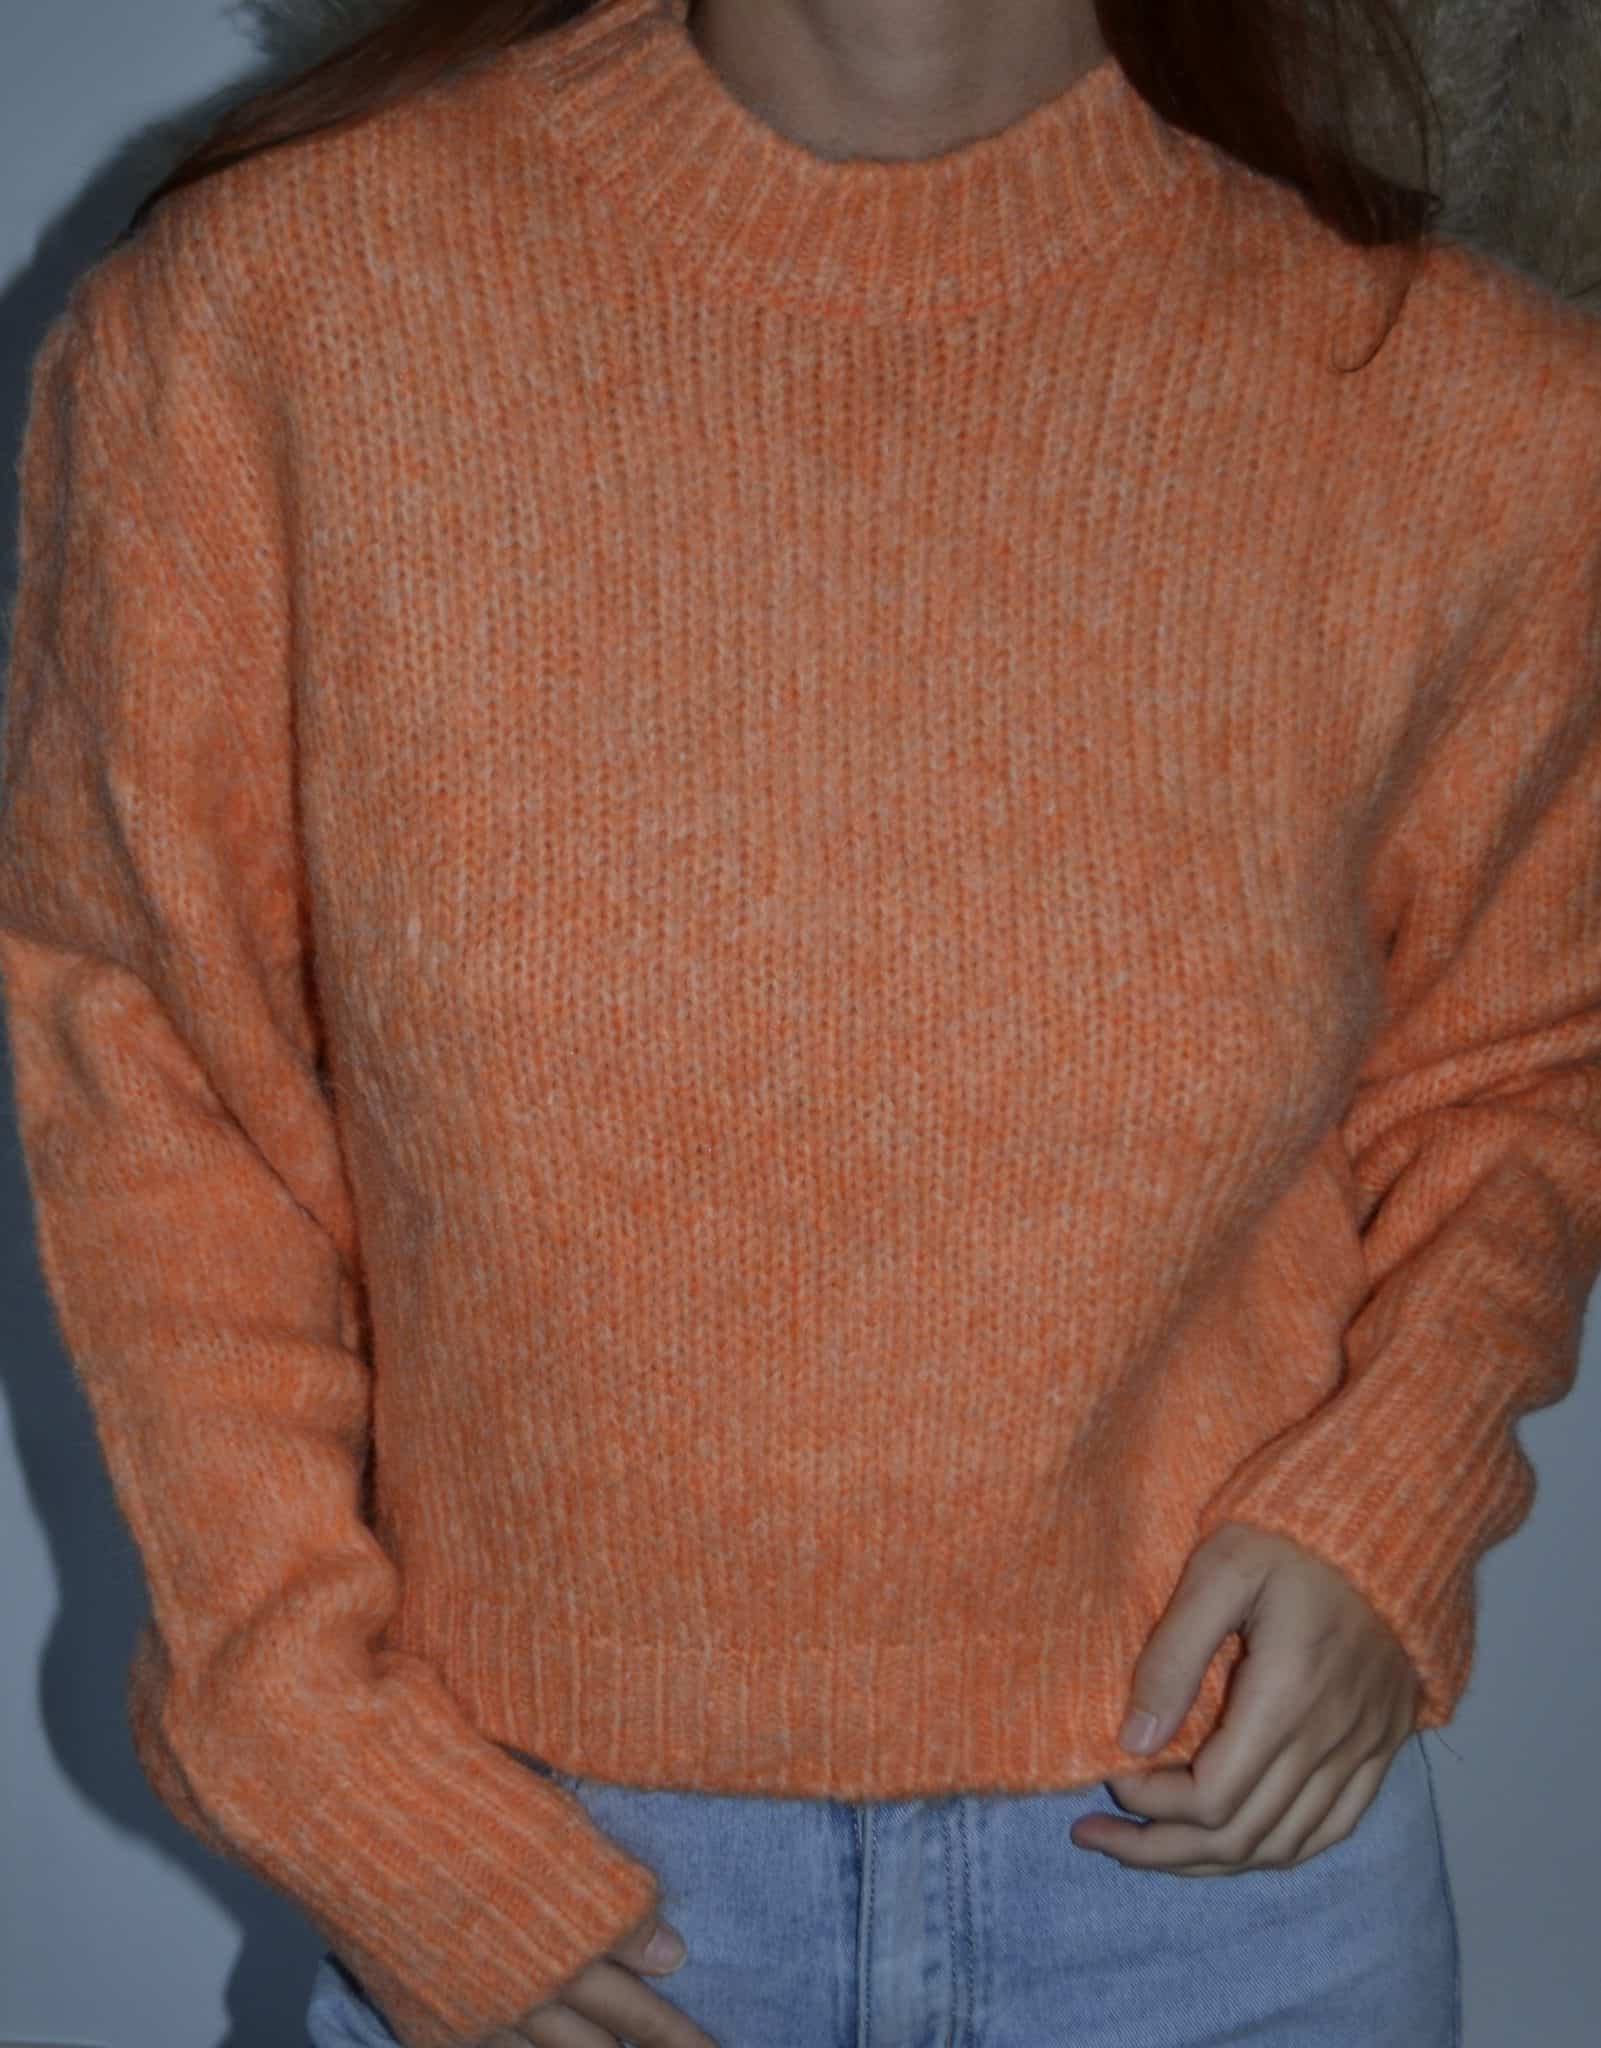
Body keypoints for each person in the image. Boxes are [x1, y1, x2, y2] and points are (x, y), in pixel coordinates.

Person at [2, 0, 1597, 2042]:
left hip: (1223, 1879)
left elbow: (1517, 1071)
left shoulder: (1476, 411)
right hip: (547, 1875)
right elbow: (151, 1079)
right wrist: (308, 1741)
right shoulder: (271, 317)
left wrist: (1393, 1501)